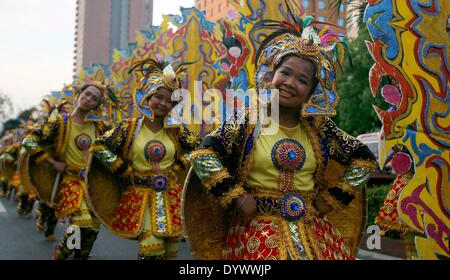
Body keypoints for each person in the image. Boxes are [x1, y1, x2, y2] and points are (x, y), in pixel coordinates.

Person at [184, 14, 379, 260]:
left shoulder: (320, 127)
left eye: (302, 80)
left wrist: (331, 200)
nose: (290, 83)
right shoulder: (248, 120)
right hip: (257, 235)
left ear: (311, 91)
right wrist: (237, 196)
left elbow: (363, 159)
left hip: (313, 234)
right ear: (271, 74)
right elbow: (203, 155)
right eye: (285, 73)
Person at [88, 58, 200, 260]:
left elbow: (200, 149)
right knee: (151, 249)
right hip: (140, 197)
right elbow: (98, 146)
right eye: (159, 97)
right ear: (148, 95)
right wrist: (122, 168)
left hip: (171, 197)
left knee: (171, 252)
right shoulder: (129, 127)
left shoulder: (177, 131)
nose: (164, 104)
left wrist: (179, 165)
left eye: (170, 101)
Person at [22, 82, 111, 259]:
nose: (89, 99)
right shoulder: (60, 121)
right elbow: (29, 141)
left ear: (97, 105)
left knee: (93, 227)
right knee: (80, 223)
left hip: (92, 185)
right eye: (87, 94)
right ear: (78, 94)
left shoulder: (99, 127)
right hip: (70, 181)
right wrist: (53, 162)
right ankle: (62, 252)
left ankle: (80, 255)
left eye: (94, 99)